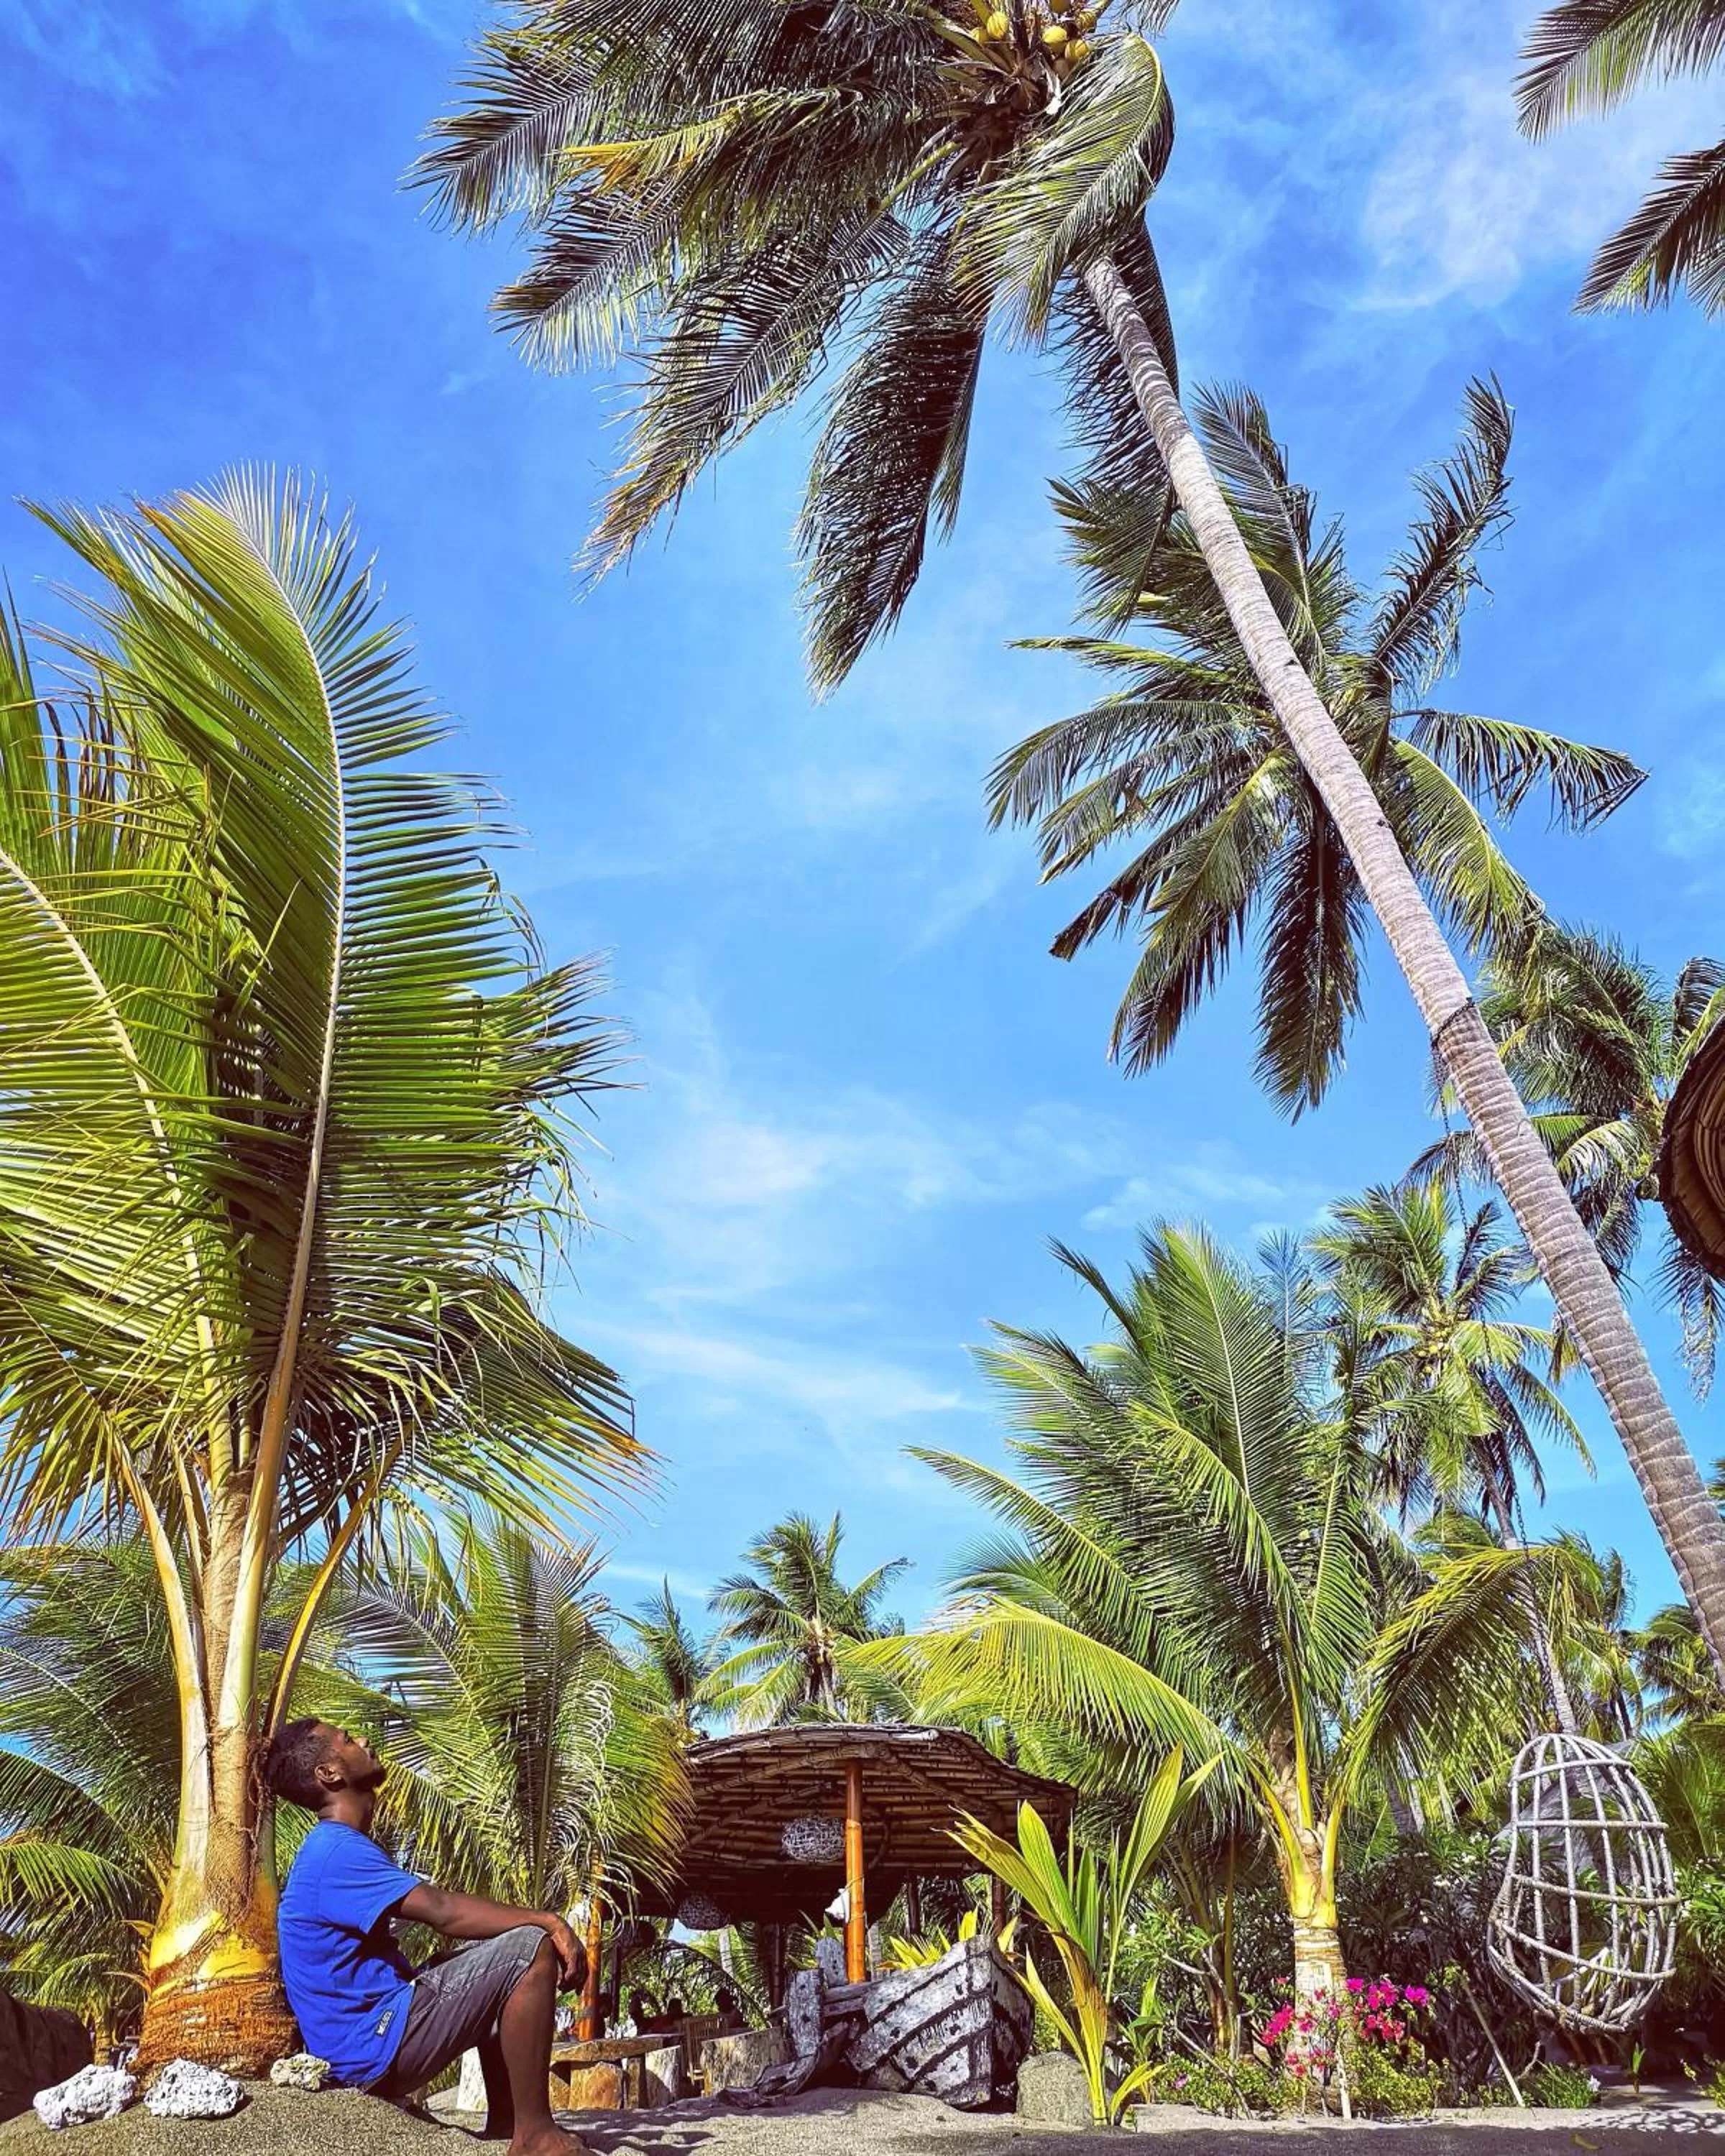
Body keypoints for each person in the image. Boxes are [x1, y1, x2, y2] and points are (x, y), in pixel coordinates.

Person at [264, 1718, 588, 2156]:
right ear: (330, 1774)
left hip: (367, 2043)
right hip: (372, 2048)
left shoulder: (334, 1847)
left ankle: (508, 2124)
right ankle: (535, 2136)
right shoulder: (334, 1851)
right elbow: (443, 1912)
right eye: (346, 1740)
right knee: (527, 1947)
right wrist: (550, 1920)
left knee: (488, 1956)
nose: (362, 1740)